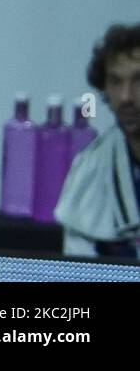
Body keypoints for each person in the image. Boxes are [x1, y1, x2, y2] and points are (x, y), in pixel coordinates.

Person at [56, 23, 140, 259]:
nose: (126, 97)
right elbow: (79, 267)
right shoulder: (90, 169)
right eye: (115, 82)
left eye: (138, 81)